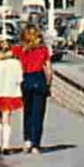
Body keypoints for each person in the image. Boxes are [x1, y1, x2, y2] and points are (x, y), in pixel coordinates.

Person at [13, 24, 53, 154]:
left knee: (27, 112)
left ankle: (27, 140)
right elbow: (49, 69)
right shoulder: (43, 50)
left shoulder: (20, 49)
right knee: (38, 113)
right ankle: (36, 144)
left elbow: (7, 55)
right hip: (39, 78)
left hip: (26, 79)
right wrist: (48, 84)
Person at [0, 38, 24, 154]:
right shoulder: (16, 63)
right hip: (9, 92)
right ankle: (6, 145)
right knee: (7, 119)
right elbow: (19, 79)